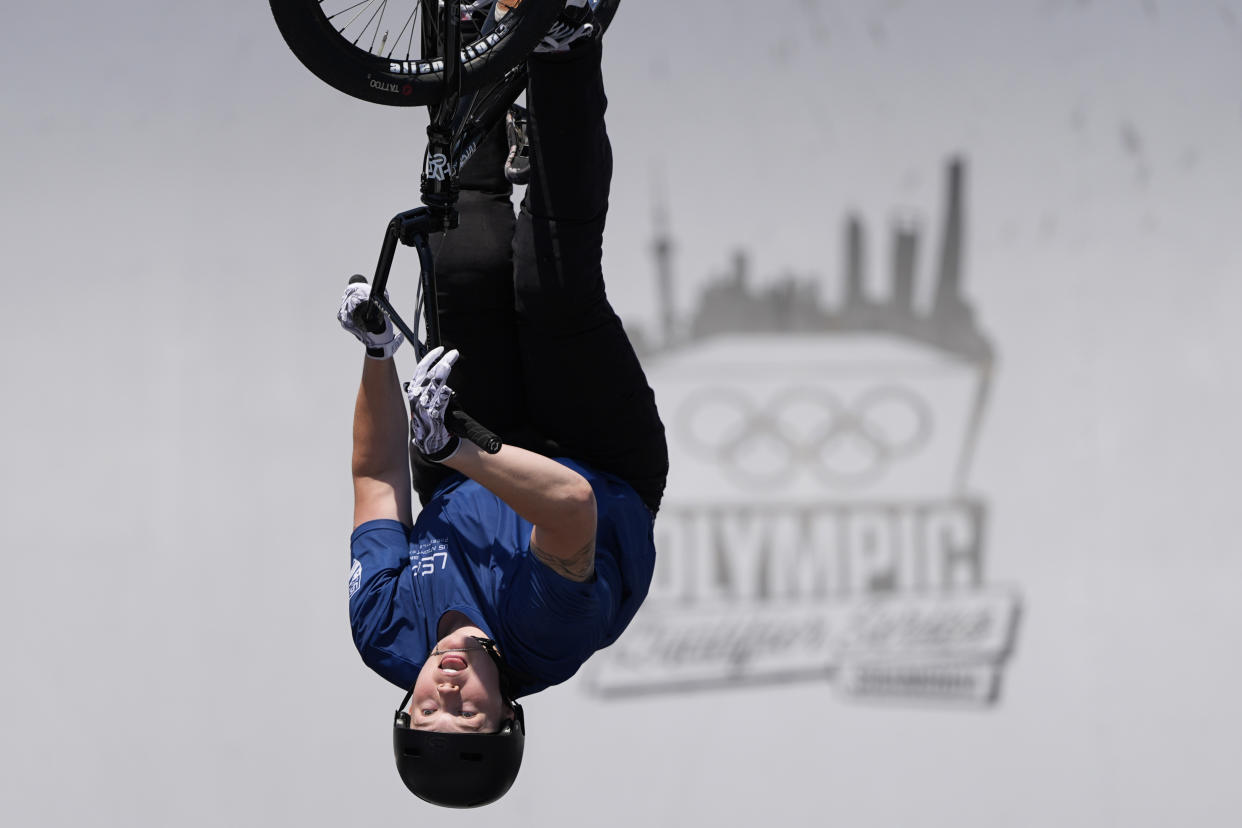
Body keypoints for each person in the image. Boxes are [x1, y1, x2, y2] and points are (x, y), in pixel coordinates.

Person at [335, 0, 667, 809]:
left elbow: (377, 482)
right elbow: (571, 509)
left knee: (465, 258)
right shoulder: (545, 641)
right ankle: (562, 47)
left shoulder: (385, 633)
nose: (445, 694)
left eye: (424, 712)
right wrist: (455, 447)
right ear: (508, 715)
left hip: (465, 450)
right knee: (547, 285)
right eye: (467, 716)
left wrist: (380, 356)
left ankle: (468, 34)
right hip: (594, 458)